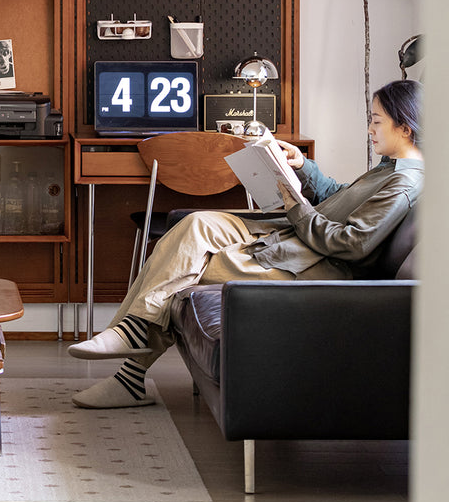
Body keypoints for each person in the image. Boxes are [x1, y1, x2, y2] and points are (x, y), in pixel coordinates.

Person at [68, 79, 422, 409]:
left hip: (316, 263)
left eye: (376, 121)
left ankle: (130, 369)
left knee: (189, 265)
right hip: (295, 235)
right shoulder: (388, 168)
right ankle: (130, 335)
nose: (370, 129)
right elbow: (338, 197)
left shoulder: (403, 184)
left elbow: (353, 243)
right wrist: (301, 166)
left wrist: (295, 205)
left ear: (405, 128)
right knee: (197, 225)